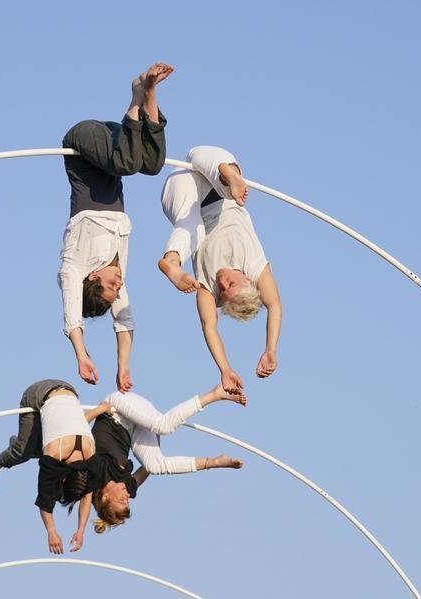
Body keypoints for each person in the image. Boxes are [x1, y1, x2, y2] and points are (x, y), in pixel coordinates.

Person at [58, 62, 173, 394]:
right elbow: (125, 322)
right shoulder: (116, 276)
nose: (119, 282)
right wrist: (124, 367)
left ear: (92, 278)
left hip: (84, 141)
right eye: (117, 288)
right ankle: (149, 95)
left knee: (125, 163)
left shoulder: (74, 267)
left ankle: (136, 96)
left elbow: (71, 317)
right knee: (151, 165)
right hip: (114, 146)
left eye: (111, 285)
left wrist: (82, 355)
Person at [158, 146, 282, 395]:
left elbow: (209, 326)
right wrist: (270, 350)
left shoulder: (208, 288)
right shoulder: (255, 265)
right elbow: (275, 304)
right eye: (231, 285)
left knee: (193, 229)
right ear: (248, 279)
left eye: (222, 291)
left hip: (184, 198)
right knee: (228, 174)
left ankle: (172, 261)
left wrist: (225, 369)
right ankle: (229, 174)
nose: (222, 283)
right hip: (221, 189)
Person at [83, 385, 245, 533]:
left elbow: (79, 426)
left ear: (105, 497)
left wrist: (100, 408)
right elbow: (147, 469)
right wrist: (155, 449)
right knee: (155, 466)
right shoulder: (128, 486)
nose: (127, 497)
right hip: (134, 430)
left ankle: (215, 394)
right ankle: (215, 462)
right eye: (128, 501)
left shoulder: (93, 475)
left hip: (116, 408)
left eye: (121, 500)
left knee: (163, 426)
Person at [0, 380, 101, 554]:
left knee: (37, 450)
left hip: (69, 390)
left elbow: (87, 495)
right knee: (23, 453)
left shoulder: (90, 457)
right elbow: (44, 501)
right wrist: (51, 532)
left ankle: (21, 442)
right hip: (37, 394)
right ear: (64, 478)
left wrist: (81, 530)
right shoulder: (55, 455)